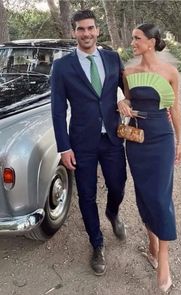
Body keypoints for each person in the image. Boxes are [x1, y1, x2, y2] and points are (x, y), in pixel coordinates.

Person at [50, 10, 127, 276]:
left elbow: (128, 90)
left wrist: (127, 101)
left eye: (90, 28)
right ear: (74, 32)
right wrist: (64, 147)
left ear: (98, 30)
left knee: (118, 185)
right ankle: (96, 243)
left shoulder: (113, 58)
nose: (86, 34)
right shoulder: (62, 67)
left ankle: (113, 211)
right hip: (81, 142)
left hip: (113, 138)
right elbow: (58, 110)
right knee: (86, 195)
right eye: (81, 29)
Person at [118, 23, 181, 292]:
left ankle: (164, 257)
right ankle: (152, 246)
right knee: (144, 194)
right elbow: (128, 101)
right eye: (132, 38)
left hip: (162, 139)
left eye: (137, 38)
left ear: (152, 41)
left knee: (161, 196)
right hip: (136, 142)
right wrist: (122, 102)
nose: (132, 42)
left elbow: (175, 108)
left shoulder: (170, 72)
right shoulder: (128, 72)